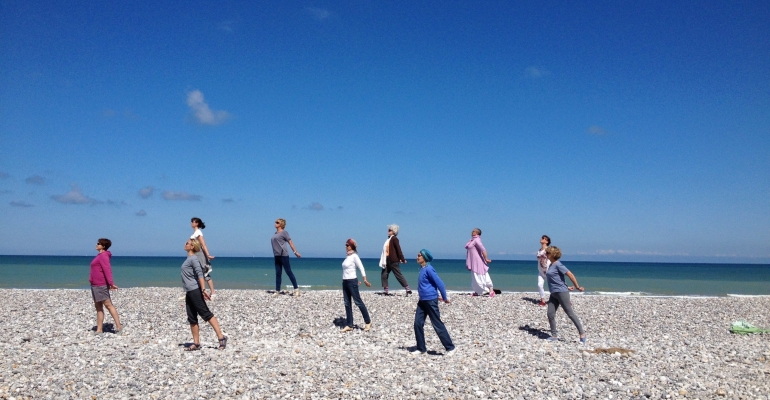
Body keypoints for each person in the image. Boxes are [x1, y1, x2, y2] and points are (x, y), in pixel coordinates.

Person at [181, 238, 227, 351]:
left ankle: (221, 338)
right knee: (191, 317)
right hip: (189, 291)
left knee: (206, 314)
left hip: (195, 290)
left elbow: (200, 275)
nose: (185, 244)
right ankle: (196, 343)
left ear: (192, 247)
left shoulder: (194, 259)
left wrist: (203, 290)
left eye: (187, 243)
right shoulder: (189, 259)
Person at [411, 249, 455, 356]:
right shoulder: (422, 269)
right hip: (422, 301)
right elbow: (427, 286)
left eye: (419, 255)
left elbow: (439, 283)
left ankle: (450, 348)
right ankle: (421, 348)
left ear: (424, 258)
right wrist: (437, 295)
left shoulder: (429, 269)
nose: (417, 257)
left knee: (437, 324)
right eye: (417, 255)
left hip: (430, 301)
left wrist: (444, 297)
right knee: (417, 323)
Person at [544, 246, 586, 344]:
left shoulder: (558, 264)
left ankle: (582, 334)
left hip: (561, 293)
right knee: (550, 314)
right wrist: (567, 286)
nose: (546, 254)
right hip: (554, 293)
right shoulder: (551, 265)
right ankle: (554, 336)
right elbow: (557, 279)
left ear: (553, 254)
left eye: (548, 253)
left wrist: (577, 287)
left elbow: (570, 274)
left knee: (570, 313)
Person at [89, 238, 124, 335]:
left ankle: (118, 327)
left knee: (108, 305)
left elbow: (107, 270)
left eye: (98, 243)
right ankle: (99, 330)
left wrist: (111, 283)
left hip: (101, 285)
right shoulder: (99, 255)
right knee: (98, 307)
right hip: (95, 285)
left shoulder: (103, 256)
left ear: (103, 246)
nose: (96, 244)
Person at [340, 239, 372, 333]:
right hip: (345, 282)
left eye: (347, 245)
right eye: (345, 245)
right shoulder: (347, 257)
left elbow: (361, 267)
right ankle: (349, 324)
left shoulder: (354, 256)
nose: (346, 246)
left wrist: (364, 279)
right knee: (347, 303)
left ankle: (368, 321)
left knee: (358, 302)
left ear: (351, 246)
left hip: (352, 282)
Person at [271, 218, 301, 296]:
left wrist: (295, 252)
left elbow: (290, 242)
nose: (275, 223)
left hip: (284, 255)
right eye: (275, 222)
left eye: (277, 222)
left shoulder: (284, 233)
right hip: (277, 255)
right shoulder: (275, 233)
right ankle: (277, 291)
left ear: (281, 224)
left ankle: (296, 289)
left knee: (288, 272)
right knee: (278, 273)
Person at [380, 224, 411, 296]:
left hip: (393, 260)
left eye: (390, 230)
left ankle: (407, 289)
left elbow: (398, 249)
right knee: (384, 274)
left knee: (398, 274)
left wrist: (402, 259)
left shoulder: (394, 239)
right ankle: (386, 290)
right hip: (386, 259)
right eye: (388, 230)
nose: (388, 231)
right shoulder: (389, 239)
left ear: (393, 231)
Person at [190, 217, 216, 297]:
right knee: (197, 273)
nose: (191, 223)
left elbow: (203, 244)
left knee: (205, 273)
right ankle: (201, 292)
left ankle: (212, 293)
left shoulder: (198, 232)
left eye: (193, 222)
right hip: (195, 254)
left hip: (200, 254)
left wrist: (208, 255)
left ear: (196, 223)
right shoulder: (195, 233)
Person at [465, 228, 494, 297]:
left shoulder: (477, 240)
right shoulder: (472, 240)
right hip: (473, 261)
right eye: (472, 231)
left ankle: (490, 291)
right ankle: (477, 291)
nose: (472, 232)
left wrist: (486, 259)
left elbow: (483, 249)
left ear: (477, 233)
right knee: (475, 277)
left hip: (478, 261)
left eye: (474, 231)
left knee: (480, 276)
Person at [536, 235, 551, 306]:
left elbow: (552, 259)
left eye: (543, 238)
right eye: (541, 238)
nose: (541, 239)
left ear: (547, 241)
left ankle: (565, 300)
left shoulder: (548, 250)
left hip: (549, 271)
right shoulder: (539, 250)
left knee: (555, 286)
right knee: (539, 285)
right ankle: (543, 300)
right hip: (541, 271)